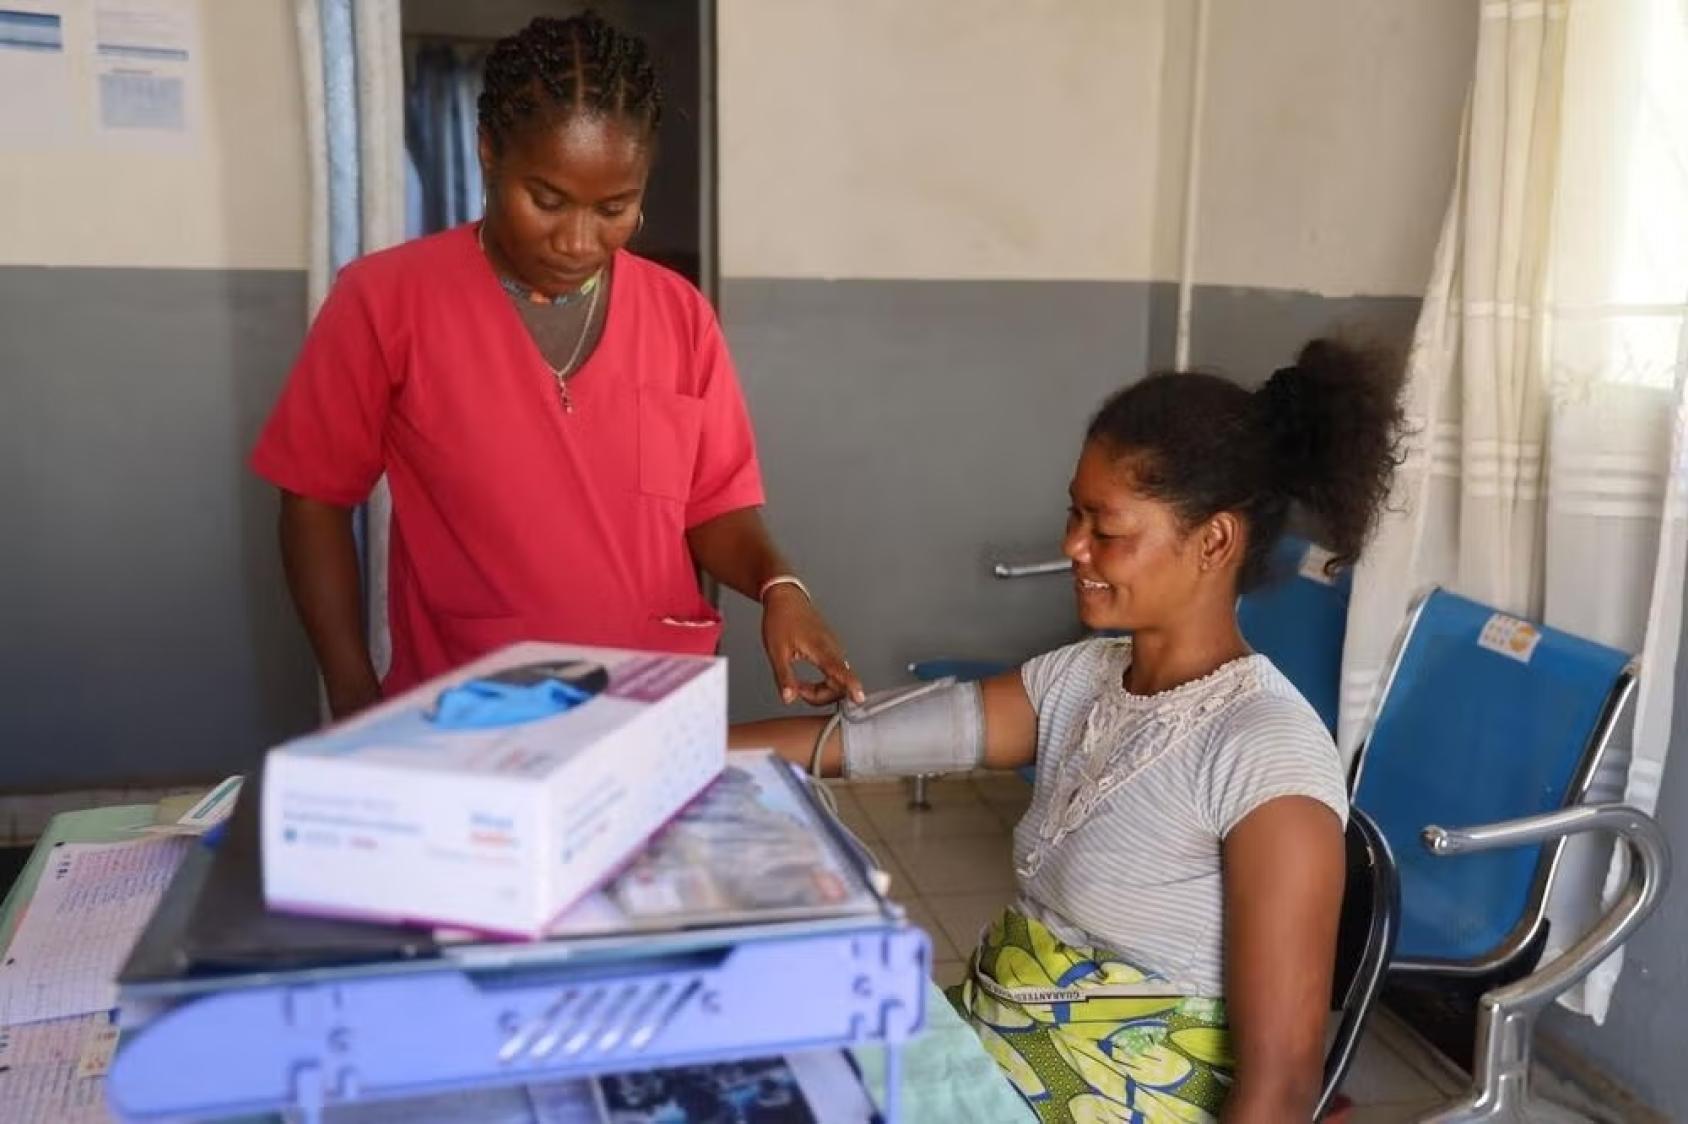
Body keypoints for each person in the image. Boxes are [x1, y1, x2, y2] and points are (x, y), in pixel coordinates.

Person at [734, 339, 1406, 1123]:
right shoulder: (1082, 678)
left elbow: (1282, 1085)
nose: (1072, 547)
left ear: (1214, 541)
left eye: (1106, 527)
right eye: (1073, 512)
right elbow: (856, 742)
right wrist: (657, 749)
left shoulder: (1264, 754)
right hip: (999, 1058)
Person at [253, 13, 861, 718]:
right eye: (546, 200)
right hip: (468, 707)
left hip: (651, 705)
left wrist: (780, 588)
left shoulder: (679, 315)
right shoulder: (386, 301)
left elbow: (715, 507)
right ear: (487, 153)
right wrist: (354, 693)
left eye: (614, 207)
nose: (577, 240)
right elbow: (313, 501)